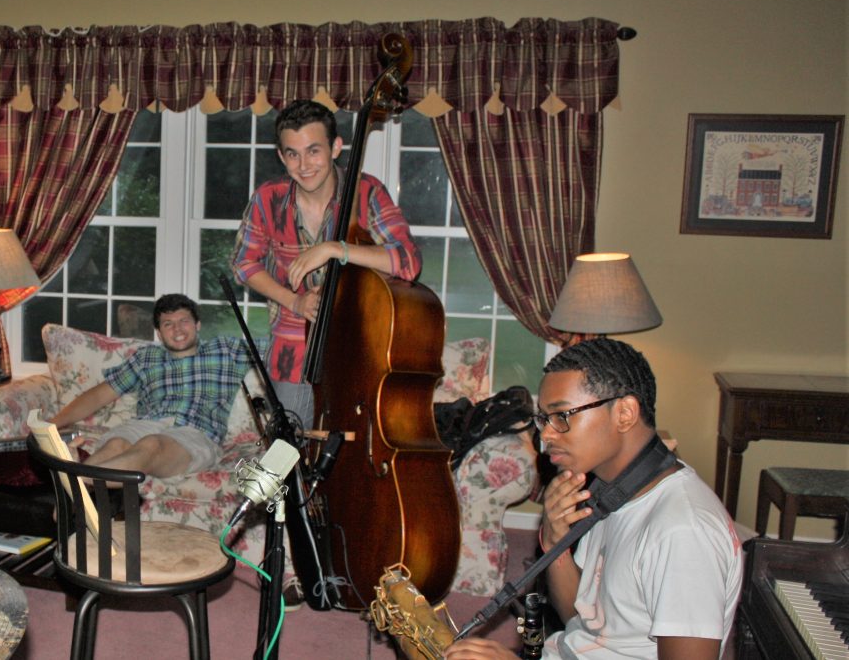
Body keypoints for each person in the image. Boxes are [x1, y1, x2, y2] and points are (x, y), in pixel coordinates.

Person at [445, 338, 743, 660]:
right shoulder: (609, 491)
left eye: (561, 415)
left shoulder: (684, 532)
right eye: (543, 419)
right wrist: (555, 542)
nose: (545, 435)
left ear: (625, 413)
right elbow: (582, 618)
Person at [230, 99, 422, 428]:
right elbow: (243, 265)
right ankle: (265, 483)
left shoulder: (367, 191)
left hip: (358, 351)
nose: (303, 165)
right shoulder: (267, 198)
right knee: (285, 458)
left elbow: (407, 261)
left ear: (335, 147)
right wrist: (295, 301)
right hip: (292, 353)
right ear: (281, 155)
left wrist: (335, 249)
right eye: (292, 153)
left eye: (313, 151)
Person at [51, 294, 254, 478]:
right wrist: (52, 425)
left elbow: (279, 355)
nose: (177, 330)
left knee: (151, 444)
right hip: (145, 424)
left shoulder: (226, 351)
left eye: (184, 321)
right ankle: (72, 497)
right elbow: (98, 396)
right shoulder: (146, 358)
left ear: (197, 324)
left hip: (196, 433)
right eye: (168, 324)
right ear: (158, 332)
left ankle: (77, 480)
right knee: (116, 444)